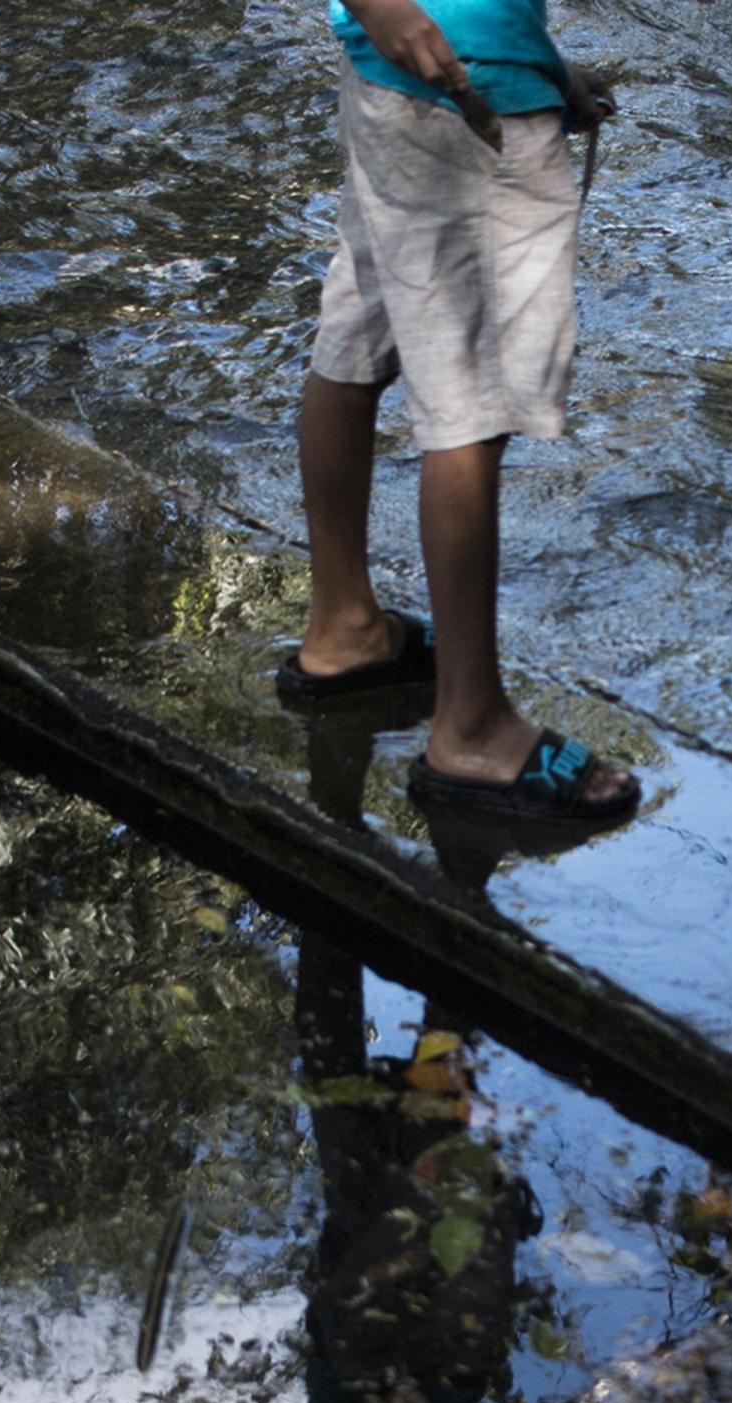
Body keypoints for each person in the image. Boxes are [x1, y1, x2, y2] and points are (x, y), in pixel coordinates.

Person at [278, 0, 641, 825]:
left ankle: (345, 627)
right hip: (466, 97)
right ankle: (471, 728)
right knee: (472, 411)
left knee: (355, 342)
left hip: (410, 73)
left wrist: (541, 60)